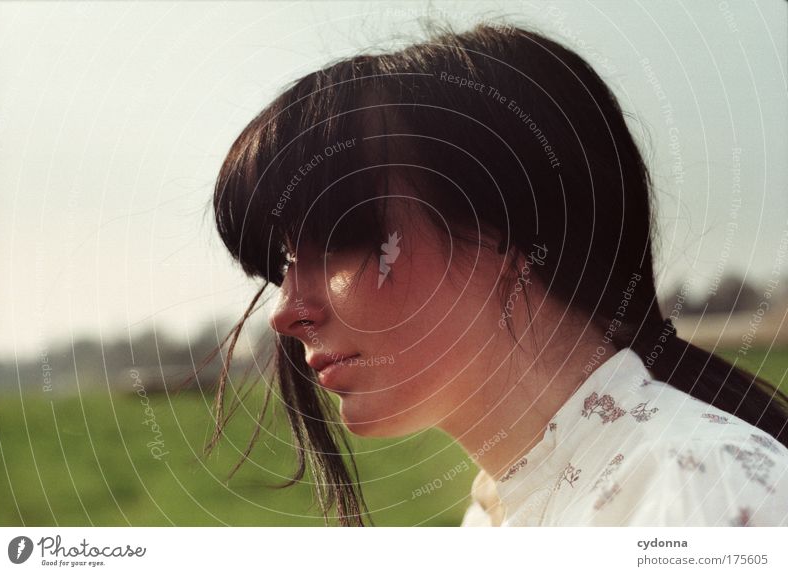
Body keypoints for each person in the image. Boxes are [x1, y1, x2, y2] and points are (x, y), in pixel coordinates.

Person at [206, 22, 788, 526]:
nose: (285, 311)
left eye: (340, 241)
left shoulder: (701, 495)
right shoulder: (496, 514)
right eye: (281, 263)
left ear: (510, 230)